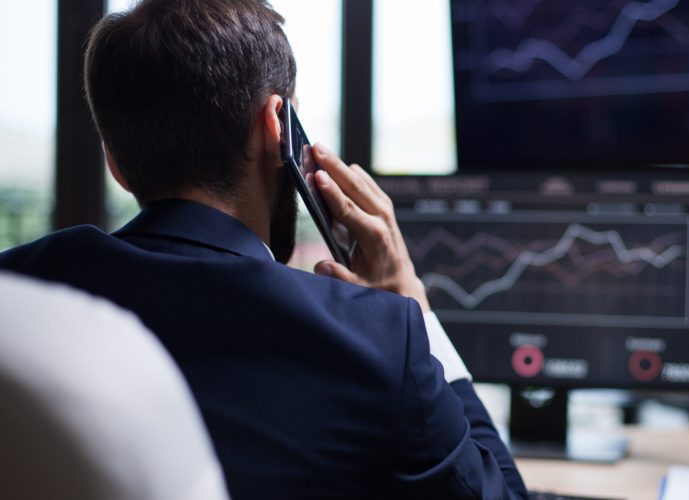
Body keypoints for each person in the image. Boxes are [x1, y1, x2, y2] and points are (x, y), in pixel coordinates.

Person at [0, 0, 528, 498]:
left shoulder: (18, 296)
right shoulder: (380, 338)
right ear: (278, 129)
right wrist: (416, 306)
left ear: (114, 161)